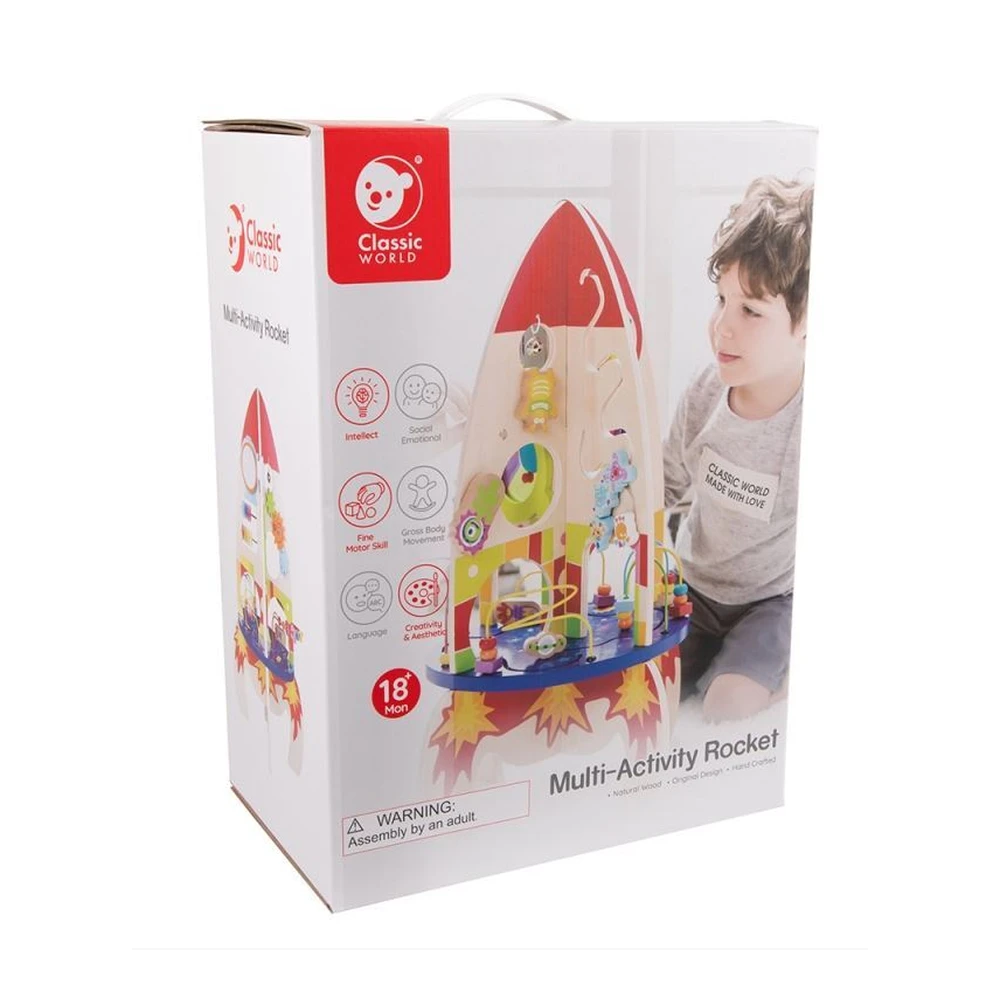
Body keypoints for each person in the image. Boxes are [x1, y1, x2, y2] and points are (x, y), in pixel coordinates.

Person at [662, 176, 813, 722]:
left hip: (771, 602)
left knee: (727, 708)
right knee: (650, 695)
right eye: (722, 300)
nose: (722, 327)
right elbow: (664, 485)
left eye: (751, 311)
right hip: (694, 590)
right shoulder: (704, 395)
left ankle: (771, 677)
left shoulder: (807, 423)